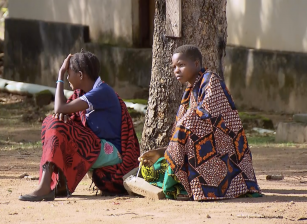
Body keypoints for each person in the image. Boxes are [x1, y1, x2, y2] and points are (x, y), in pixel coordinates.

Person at [139, 45, 261, 201]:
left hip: (225, 147)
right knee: (152, 167)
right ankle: (182, 183)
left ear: (196, 64)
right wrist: (165, 149)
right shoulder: (191, 89)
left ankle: (187, 187)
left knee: (181, 137)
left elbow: (206, 114)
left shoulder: (211, 81)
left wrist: (182, 128)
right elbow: (188, 123)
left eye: (181, 65)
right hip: (207, 143)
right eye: (174, 67)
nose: (177, 70)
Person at [19, 50, 140, 201]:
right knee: (53, 123)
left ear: (81, 75)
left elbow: (59, 108)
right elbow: (63, 111)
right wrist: (63, 114)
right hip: (97, 147)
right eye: (66, 74)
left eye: (69, 73)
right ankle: (55, 183)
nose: (68, 78)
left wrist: (60, 77)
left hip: (113, 154)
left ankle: (47, 185)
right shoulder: (83, 94)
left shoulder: (102, 92)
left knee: (56, 125)